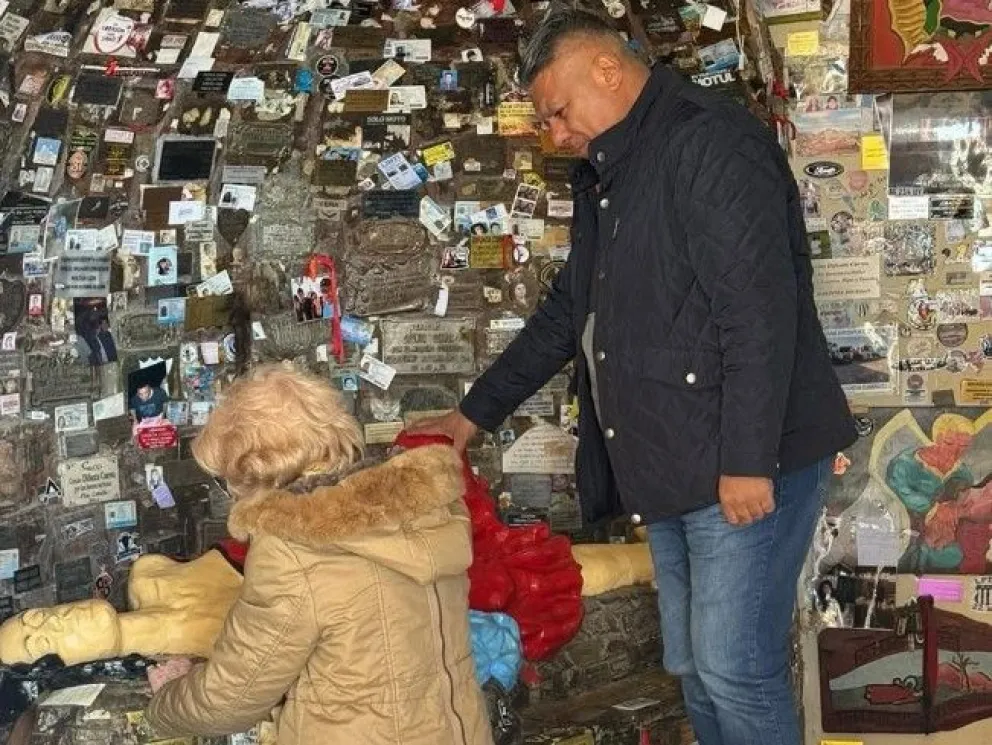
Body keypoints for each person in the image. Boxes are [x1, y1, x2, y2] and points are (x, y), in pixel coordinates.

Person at [410, 9, 856, 745]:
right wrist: (470, 416)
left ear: (607, 70)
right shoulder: (611, 169)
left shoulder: (707, 140)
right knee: (695, 667)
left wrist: (747, 458)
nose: (556, 133)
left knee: (735, 667)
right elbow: (568, 312)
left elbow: (757, 312)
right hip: (674, 464)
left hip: (742, 464)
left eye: (558, 111)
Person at [145, 366, 493, 745]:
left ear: (254, 469)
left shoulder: (295, 551)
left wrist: (164, 703)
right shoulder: (427, 509)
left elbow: (231, 699)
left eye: (224, 477)